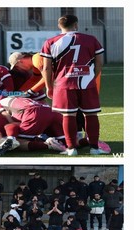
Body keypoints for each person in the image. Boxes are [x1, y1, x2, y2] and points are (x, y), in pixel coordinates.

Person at [41, 14, 107, 156]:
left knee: (68, 116)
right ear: (76, 24)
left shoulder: (50, 42)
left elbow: (46, 68)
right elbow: (99, 62)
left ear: (59, 26)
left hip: (63, 85)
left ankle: (71, 149)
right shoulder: (91, 39)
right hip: (86, 84)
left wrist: (48, 86)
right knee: (91, 115)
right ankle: (95, 148)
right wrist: (91, 77)